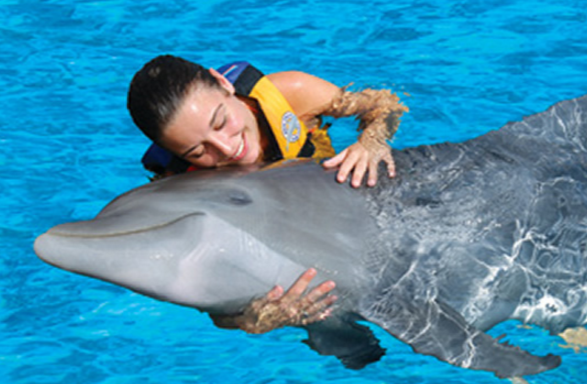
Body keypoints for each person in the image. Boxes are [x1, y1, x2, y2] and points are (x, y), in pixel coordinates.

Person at [127, 54, 408, 333]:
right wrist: (252, 320)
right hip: (283, 232)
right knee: (333, 337)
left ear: (224, 84)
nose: (227, 148)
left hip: (333, 196)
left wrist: (372, 142)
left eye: (220, 122)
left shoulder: (293, 93)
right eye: (198, 151)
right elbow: (212, 297)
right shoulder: (181, 181)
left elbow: (387, 104)